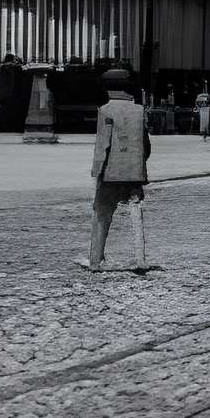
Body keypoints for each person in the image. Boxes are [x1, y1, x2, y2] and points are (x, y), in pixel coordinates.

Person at [82, 66, 154, 273]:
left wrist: (96, 172)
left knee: (102, 214)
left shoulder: (106, 110)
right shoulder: (140, 111)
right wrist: (139, 166)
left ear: (107, 88)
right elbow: (146, 146)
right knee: (136, 214)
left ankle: (95, 260)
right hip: (135, 173)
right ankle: (140, 259)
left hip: (110, 174)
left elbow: (102, 145)